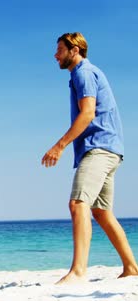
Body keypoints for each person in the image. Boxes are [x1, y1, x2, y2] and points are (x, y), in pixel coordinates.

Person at [42, 32, 138, 284]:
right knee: (101, 211)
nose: (55, 55)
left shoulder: (83, 73)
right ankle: (131, 267)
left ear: (74, 50)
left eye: (60, 50)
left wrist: (59, 146)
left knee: (77, 204)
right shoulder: (86, 73)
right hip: (112, 149)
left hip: (99, 148)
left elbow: (87, 114)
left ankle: (78, 271)